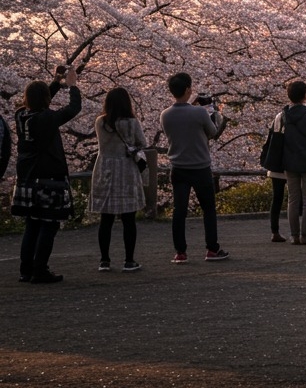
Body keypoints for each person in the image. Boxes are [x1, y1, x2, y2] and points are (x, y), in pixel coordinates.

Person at [11, 65, 81, 283]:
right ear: (46, 100)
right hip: (49, 178)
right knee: (49, 225)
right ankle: (40, 269)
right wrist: (72, 86)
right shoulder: (47, 119)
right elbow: (73, 109)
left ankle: (26, 269)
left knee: (32, 224)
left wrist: (56, 80)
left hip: (27, 178)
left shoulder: (21, 115)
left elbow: (41, 99)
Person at [159, 71, 229, 263]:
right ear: (188, 89)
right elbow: (213, 132)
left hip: (178, 167)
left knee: (179, 210)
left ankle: (180, 252)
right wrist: (211, 111)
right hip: (200, 166)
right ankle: (212, 249)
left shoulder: (165, 115)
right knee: (208, 209)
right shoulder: (199, 112)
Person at [89, 87, 147, 271]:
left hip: (105, 168)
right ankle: (129, 261)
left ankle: (104, 261)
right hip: (126, 170)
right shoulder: (132, 122)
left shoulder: (100, 122)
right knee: (129, 218)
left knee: (106, 219)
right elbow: (142, 143)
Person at [282, 80, 306, 245]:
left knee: (293, 198)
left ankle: (294, 235)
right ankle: (305, 235)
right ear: (305, 95)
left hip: (290, 160)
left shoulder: (283, 116)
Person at [265, 109, 287, 242]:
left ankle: (275, 231)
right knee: (296, 197)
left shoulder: (278, 117)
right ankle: (298, 232)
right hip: (291, 162)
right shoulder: (300, 116)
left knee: (277, 198)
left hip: (275, 161)